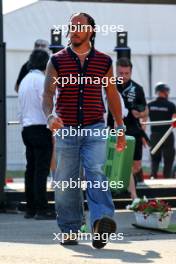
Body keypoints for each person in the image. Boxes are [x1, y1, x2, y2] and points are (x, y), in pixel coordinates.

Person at [43, 13, 126, 248]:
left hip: (95, 128)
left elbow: (111, 95)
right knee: (65, 181)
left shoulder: (104, 61)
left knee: (96, 173)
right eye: (72, 26)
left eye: (80, 26)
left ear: (91, 30)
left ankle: (101, 222)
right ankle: (70, 229)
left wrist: (120, 127)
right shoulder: (56, 60)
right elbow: (48, 94)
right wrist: (50, 115)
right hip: (66, 128)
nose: (75, 30)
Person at [18, 50, 53, 220]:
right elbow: (46, 102)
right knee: (41, 170)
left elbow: (20, 108)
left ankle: (30, 208)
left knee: (30, 169)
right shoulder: (41, 80)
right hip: (41, 127)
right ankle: (42, 208)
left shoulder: (24, 80)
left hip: (27, 128)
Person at [108, 57, 148, 197]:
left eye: (126, 73)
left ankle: (129, 190)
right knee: (117, 162)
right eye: (120, 73)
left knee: (136, 165)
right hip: (113, 130)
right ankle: (131, 194)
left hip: (133, 130)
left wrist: (140, 113)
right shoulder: (108, 85)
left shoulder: (137, 88)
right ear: (116, 71)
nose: (123, 76)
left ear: (131, 72)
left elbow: (146, 111)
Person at [148, 83, 176, 178]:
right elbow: (174, 120)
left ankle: (153, 177)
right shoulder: (171, 105)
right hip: (167, 134)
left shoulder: (150, 105)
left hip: (155, 135)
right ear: (164, 92)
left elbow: (143, 119)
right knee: (168, 159)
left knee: (154, 158)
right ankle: (167, 178)